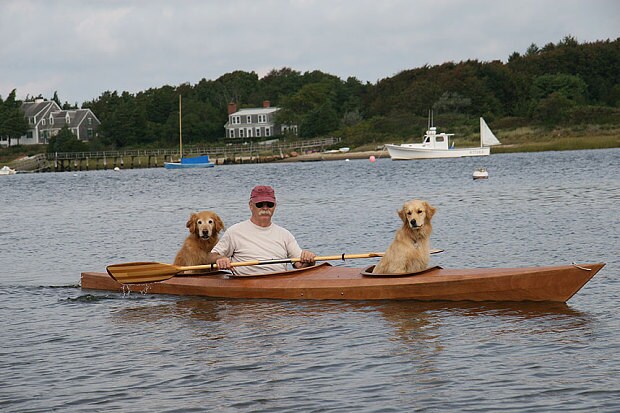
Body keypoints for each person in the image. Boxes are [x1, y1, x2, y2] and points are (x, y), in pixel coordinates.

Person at [208, 185, 316, 276]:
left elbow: (300, 266)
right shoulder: (235, 232)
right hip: (246, 284)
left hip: (279, 281)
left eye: (269, 204)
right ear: (251, 205)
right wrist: (221, 258)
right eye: (260, 204)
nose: (265, 208)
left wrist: (309, 259)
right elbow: (211, 256)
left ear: (275, 206)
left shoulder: (285, 234)